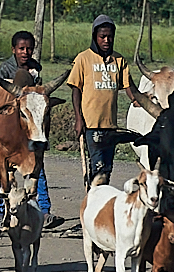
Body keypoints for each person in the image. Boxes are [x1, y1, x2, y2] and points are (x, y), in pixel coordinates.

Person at [0, 31, 65, 230]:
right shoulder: (6, 69)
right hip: (12, 126)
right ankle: (2, 210)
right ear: (13, 50)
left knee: (37, 166)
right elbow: (4, 96)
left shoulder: (36, 68)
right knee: (6, 168)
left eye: (29, 49)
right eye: (21, 49)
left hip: (32, 126)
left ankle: (44, 211)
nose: (25, 52)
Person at [67, 15, 138, 188]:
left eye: (110, 36)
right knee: (97, 168)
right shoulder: (83, 58)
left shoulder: (119, 60)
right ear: (95, 37)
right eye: (102, 37)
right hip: (91, 124)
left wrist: (138, 100)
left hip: (110, 125)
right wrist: (79, 119)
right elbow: (76, 89)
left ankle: (100, 202)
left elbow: (129, 86)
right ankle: (94, 201)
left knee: (107, 169)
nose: (106, 40)